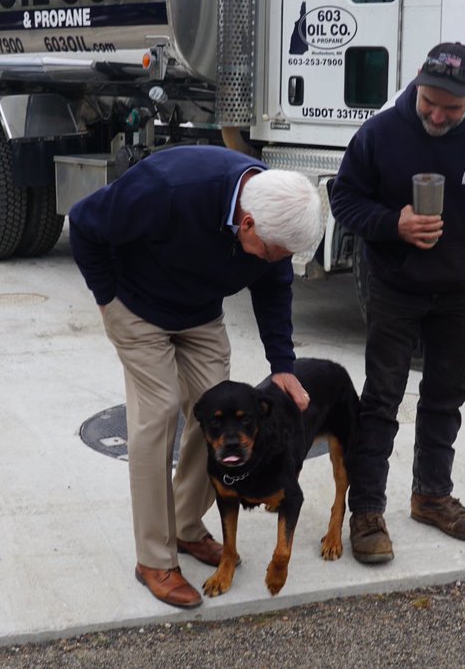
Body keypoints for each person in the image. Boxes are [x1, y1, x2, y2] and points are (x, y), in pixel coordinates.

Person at [69, 145, 324, 607]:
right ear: (246, 225)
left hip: (200, 315)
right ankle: (154, 559)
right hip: (136, 307)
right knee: (158, 413)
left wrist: (282, 365)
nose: (273, 261)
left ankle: (185, 526)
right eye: (271, 252)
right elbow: (84, 222)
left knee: (214, 414)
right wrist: (107, 298)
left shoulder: (274, 214)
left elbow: (274, 286)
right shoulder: (170, 188)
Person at [329, 42, 465, 564]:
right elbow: (344, 198)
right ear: (416, 84)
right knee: (382, 398)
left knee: (446, 395)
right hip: (395, 285)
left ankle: (431, 496)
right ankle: (367, 511)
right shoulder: (380, 134)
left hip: (461, 289)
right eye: (428, 103)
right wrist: (392, 224)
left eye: (451, 108)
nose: (437, 116)